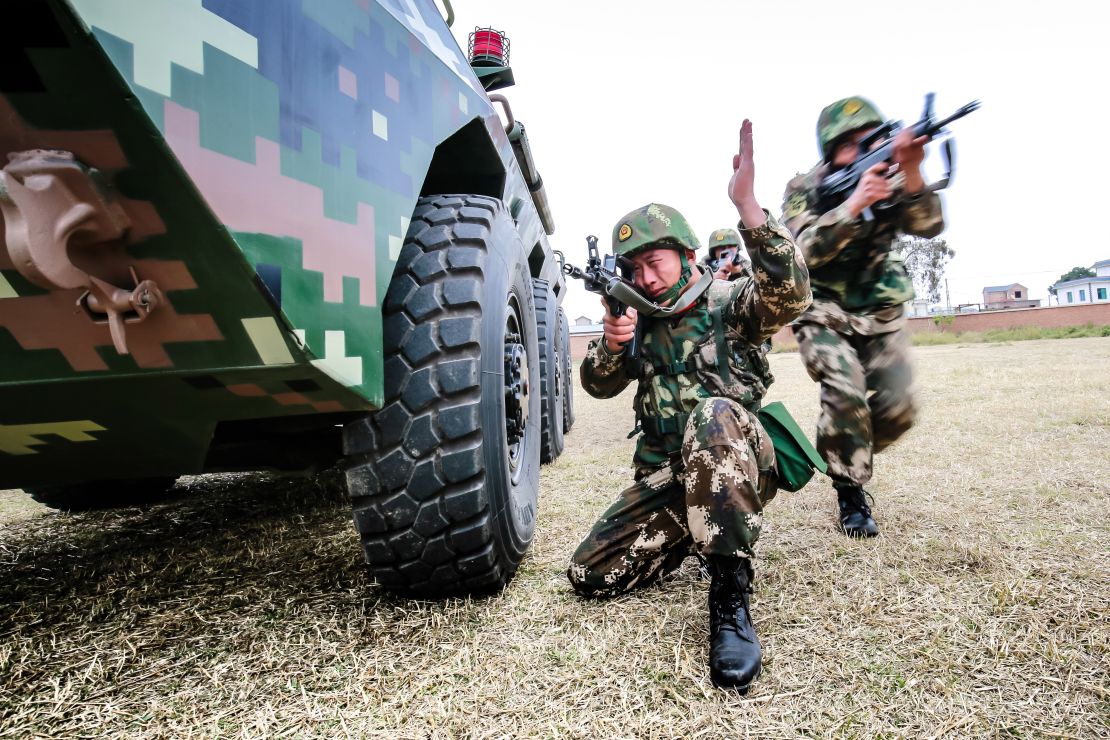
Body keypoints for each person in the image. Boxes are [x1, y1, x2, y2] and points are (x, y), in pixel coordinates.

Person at [567, 120, 811, 692]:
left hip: (739, 457)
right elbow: (597, 386)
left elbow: (791, 294)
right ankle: (697, 530)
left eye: (657, 263)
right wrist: (612, 344)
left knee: (712, 413)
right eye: (635, 270)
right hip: (670, 476)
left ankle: (729, 593)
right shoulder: (637, 322)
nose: (646, 279)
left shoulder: (728, 302)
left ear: (686, 254)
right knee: (590, 574)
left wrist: (748, 205)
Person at [780, 96, 945, 537]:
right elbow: (798, 252)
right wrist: (852, 206)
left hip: (880, 308)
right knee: (846, 392)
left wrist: (912, 171)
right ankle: (850, 490)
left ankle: (841, 450)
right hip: (822, 310)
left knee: (900, 410)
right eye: (851, 143)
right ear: (830, 149)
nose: (865, 148)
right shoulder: (804, 187)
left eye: (871, 139)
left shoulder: (890, 177)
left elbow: (929, 225)